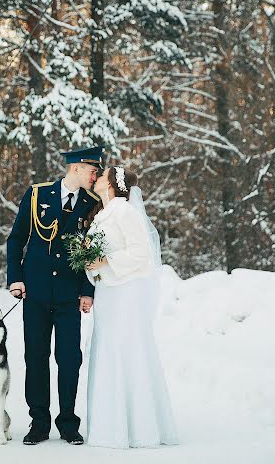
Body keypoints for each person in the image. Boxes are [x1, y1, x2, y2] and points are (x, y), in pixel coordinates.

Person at [6, 146, 103, 446]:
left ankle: (68, 423)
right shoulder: (37, 195)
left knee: (69, 358)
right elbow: (16, 239)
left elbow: (93, 248)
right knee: (36, 357)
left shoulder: (92, 203)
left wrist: (88, 291)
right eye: (92, 170)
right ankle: (39, 423)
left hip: (69, 294)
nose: (95, 175)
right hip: (34, 290)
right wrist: (15, 279)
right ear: (75, 167)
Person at [85, 166, 179, 449]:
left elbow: (142, 253)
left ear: (112, 184)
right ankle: (108, 427)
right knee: (107, 353)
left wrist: (105, 262)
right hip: (107, 294)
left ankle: (139, 428)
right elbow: (95, 257)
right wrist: (92, 266)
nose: (96, 179)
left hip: (126, 294)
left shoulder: (125, 212)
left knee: (127, 353)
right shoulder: (101, 216)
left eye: (101, 176)